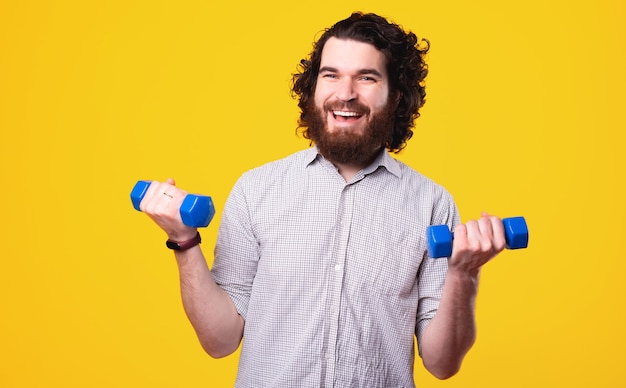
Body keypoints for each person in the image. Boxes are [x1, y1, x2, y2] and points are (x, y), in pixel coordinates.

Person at [138, 12, 507, 387]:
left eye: (366, 77)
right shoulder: (256, 190)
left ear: (396, 95)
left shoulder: (432, 204)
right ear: (313, 88)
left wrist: (464, 274)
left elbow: (442, 363)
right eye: (331, 75)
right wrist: (184, 241)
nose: (345, 93)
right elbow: (220, 340)